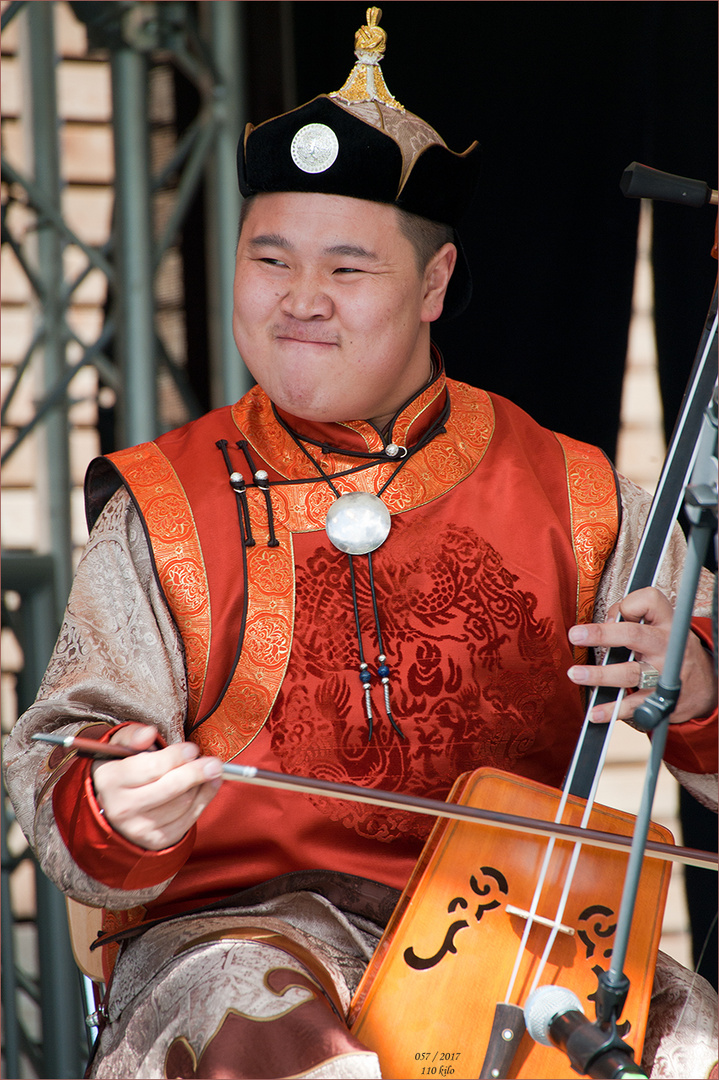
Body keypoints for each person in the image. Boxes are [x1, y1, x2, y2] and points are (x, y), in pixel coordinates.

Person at [4, 9, 717, 1079]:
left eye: (346, 269)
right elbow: (68, 767)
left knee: (686, 1042)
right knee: (278, 1029)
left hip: (516, 937)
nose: (298, 301)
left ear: (432, 287)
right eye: (269, 259)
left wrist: (697, 694)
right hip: (238, 936)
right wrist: (112, 803)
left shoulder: (578, 494)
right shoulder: (162, 504)